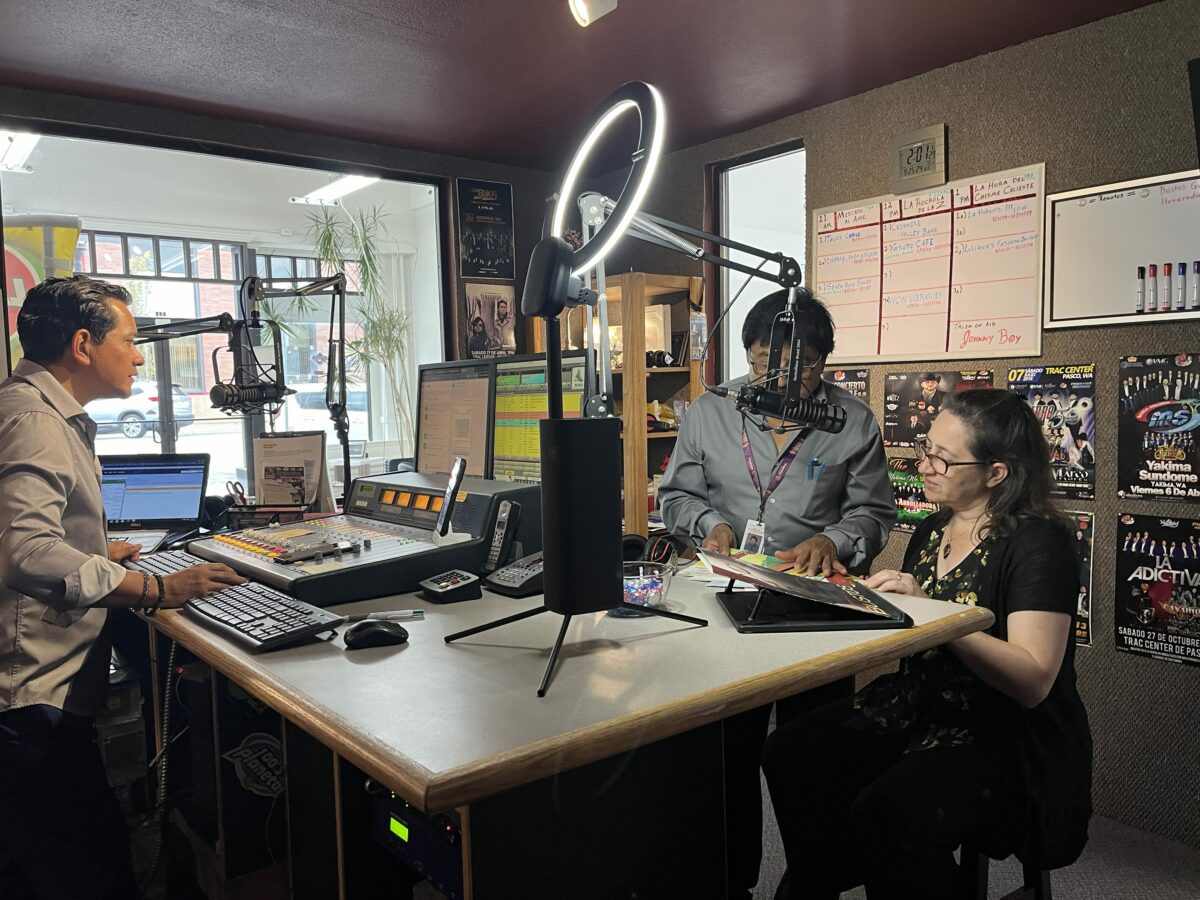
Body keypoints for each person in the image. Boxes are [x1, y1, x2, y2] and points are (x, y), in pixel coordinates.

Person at [763, 390, 1092, 899]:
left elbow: (1031, 681)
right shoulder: (935, 526)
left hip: (998, 732)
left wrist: (931, 616)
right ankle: (820, 874)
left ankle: (847, 866)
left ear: (996, 473)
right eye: (926, 447)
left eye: (942, 456)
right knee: (792, 750)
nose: (925, 465)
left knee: (888, 814)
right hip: (921, 704)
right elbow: (915, 628)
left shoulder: (1037, 545)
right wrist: (857, 597)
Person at [0, 276, 247, 899]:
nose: (140, 356)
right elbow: (24, 551)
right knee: (91, 872)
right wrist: (154, 588)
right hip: (31, 703)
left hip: (36, 698)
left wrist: (93, 553)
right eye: (131, 341)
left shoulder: (32, 407)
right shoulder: (34, 419)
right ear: (83, 344)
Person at [658, 288, 895, 898]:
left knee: (812, 760)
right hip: (723, 600)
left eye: (804, 366)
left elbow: (873, 513)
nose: (784, 379)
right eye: (766, 362)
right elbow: (676, 496)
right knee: (726, 757)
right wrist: (707, 526)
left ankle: (813, 883)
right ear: (748, 353)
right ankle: (731, 880)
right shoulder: (712, 409)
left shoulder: (851, 421)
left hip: (810, 609)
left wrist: (835, 543)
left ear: (826, 362)